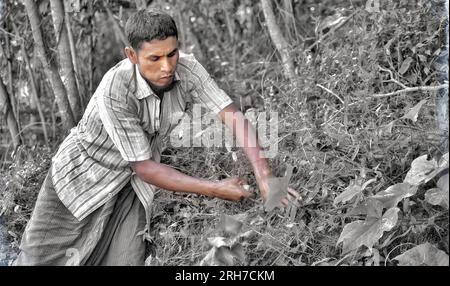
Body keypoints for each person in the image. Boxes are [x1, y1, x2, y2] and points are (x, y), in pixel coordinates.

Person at [14, 9, 298, 266]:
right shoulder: (115, 88)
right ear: (132, 56)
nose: (167, 66)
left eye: (171, 53)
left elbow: (232, 115)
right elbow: (146, 167)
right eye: (155, 58)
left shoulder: (187, 69)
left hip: (129, 186)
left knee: (125, 260)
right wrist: (216, 188)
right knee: (37, 260)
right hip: (80, 182)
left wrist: (265, 176)